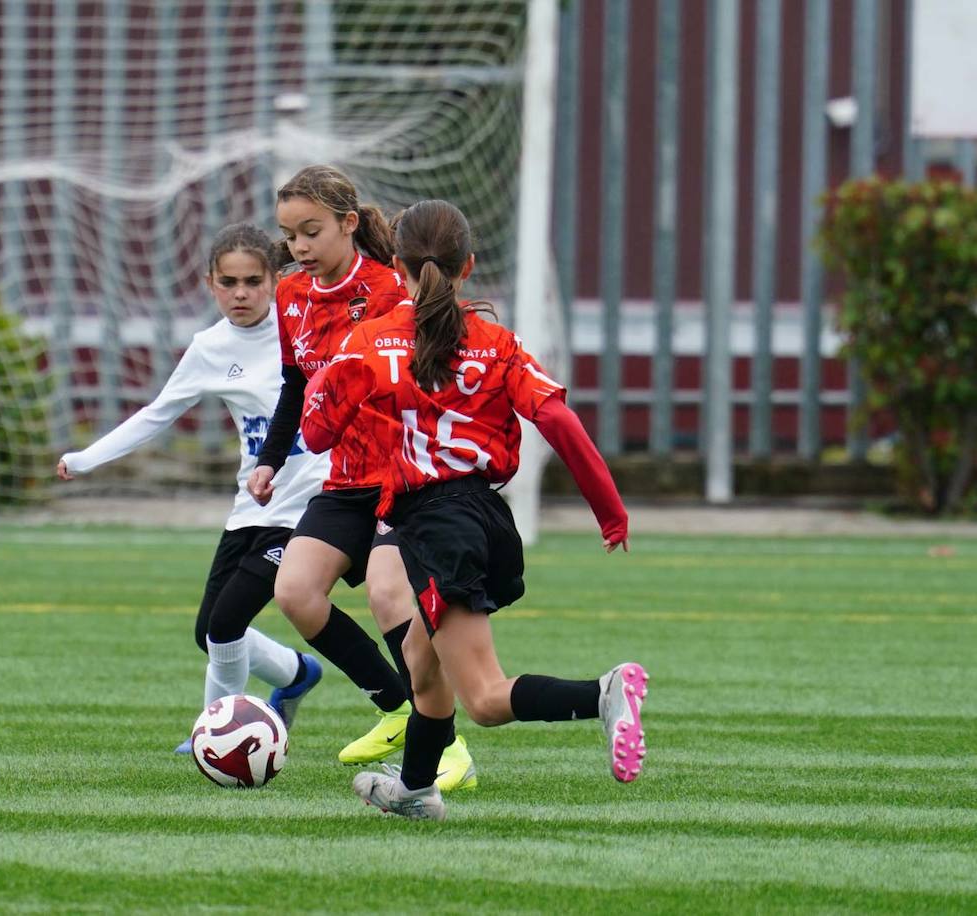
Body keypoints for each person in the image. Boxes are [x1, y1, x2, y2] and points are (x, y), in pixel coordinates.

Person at [300, 199, 646, 821]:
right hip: (485, 515)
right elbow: (558, 418)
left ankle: (603, 694)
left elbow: (320, 435)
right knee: (420, 667)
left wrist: (325, 385)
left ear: (398, 266)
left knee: (484, 698)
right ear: (469, 267)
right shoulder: (496, 342)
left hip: (436, 524)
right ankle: (414, 789)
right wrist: (610, 512)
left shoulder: (371, 341)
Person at [247, 165, 475, 792]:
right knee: (295, 591)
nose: (299, 247)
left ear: (349, 224)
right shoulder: (291, 296)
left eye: (311, 231)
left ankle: (449, 745)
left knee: (388, 597)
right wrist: (270, 458)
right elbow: (296, 384)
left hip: (400, 478)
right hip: (345, 478)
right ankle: (399, 709)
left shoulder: (389, 290)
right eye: (291, 235)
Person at [56, 223, 325, 753]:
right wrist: (86, 458)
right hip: (253, 505)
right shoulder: (209, 347)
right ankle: (296, 672)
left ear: (275, 280)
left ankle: (217, 735)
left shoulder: (306, 330)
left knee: (226, 624)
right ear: (210, 284)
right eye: (230, 282)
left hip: (313, 506)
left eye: (253, 281)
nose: (241, 293)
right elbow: (157, 414)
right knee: (209, 632)